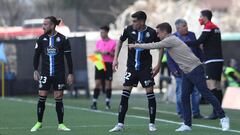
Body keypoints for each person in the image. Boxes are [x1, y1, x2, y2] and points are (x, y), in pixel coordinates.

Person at [129, 22, 229, 132]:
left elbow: (153, 46)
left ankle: (223, 118)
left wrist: (136, 45)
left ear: (164, 32)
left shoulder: (170, 39)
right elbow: (156, 45)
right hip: (186, 71)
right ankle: (187, 124)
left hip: (195, 69)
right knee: (184, 97)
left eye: (158, 33)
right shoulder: (169, 40)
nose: (157, 35)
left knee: (206, 93)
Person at [109, 11, 163, 132]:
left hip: (145, 68)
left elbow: (161, 46)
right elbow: (120, 41)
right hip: (131, 68)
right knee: (125, 94)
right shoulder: (128, 30)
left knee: (150, 94)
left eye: (134, 21)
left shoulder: (151, 32)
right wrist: (115, 59)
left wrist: (158, 64)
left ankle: (152, 124)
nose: (132, 23)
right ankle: (120, 124)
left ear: (142, 21)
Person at [30, 16, 73, 132]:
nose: (43, 26)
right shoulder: (41, 39)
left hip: (59, 74)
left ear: (53, 25)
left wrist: (70, 73)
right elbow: (36, 56)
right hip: (45, 73)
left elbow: (69, 58)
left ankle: (61, 124)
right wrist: (35, 70)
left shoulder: (63, 39)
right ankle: (39, 123)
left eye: (46, 24)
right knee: (42, 96)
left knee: (58, 98)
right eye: (43, 24)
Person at [186, 10, 224, 120]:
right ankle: (218, 111)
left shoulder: (208, 27)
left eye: (200, 16)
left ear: (205, 17)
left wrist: (185, 42)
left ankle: (216, 112)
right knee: (217, 85)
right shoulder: (216, 27)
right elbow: (207, 43)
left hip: (212, 60)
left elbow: (199, 41)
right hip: (218, 59)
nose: (199, 19)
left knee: (211, 85)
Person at [169, 18, 203, 119]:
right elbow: (169, 56)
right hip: (180, 71)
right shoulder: (172, 38)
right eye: (184, 26)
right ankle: (181, 112)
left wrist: (201, 60)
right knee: (181, 93)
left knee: (196, 92)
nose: (186, 27)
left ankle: (196, 113)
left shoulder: (192, 35)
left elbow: (197, 49)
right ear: (178, 28)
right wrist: (173, 70)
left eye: (186, 25)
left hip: (194, 68)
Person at [90, 26, 116, 110]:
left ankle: (107, 103)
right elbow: (96, 52)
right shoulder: (98, 42)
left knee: (108, 83)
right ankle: (94, 102)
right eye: (100, 32)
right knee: (97, 83)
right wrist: (97, 52)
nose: (101, 34)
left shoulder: (113, 42)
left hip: (109, 63)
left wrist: (108, 53)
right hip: (99, 62)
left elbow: (114, 54)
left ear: (107, 32)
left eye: (103, 32)